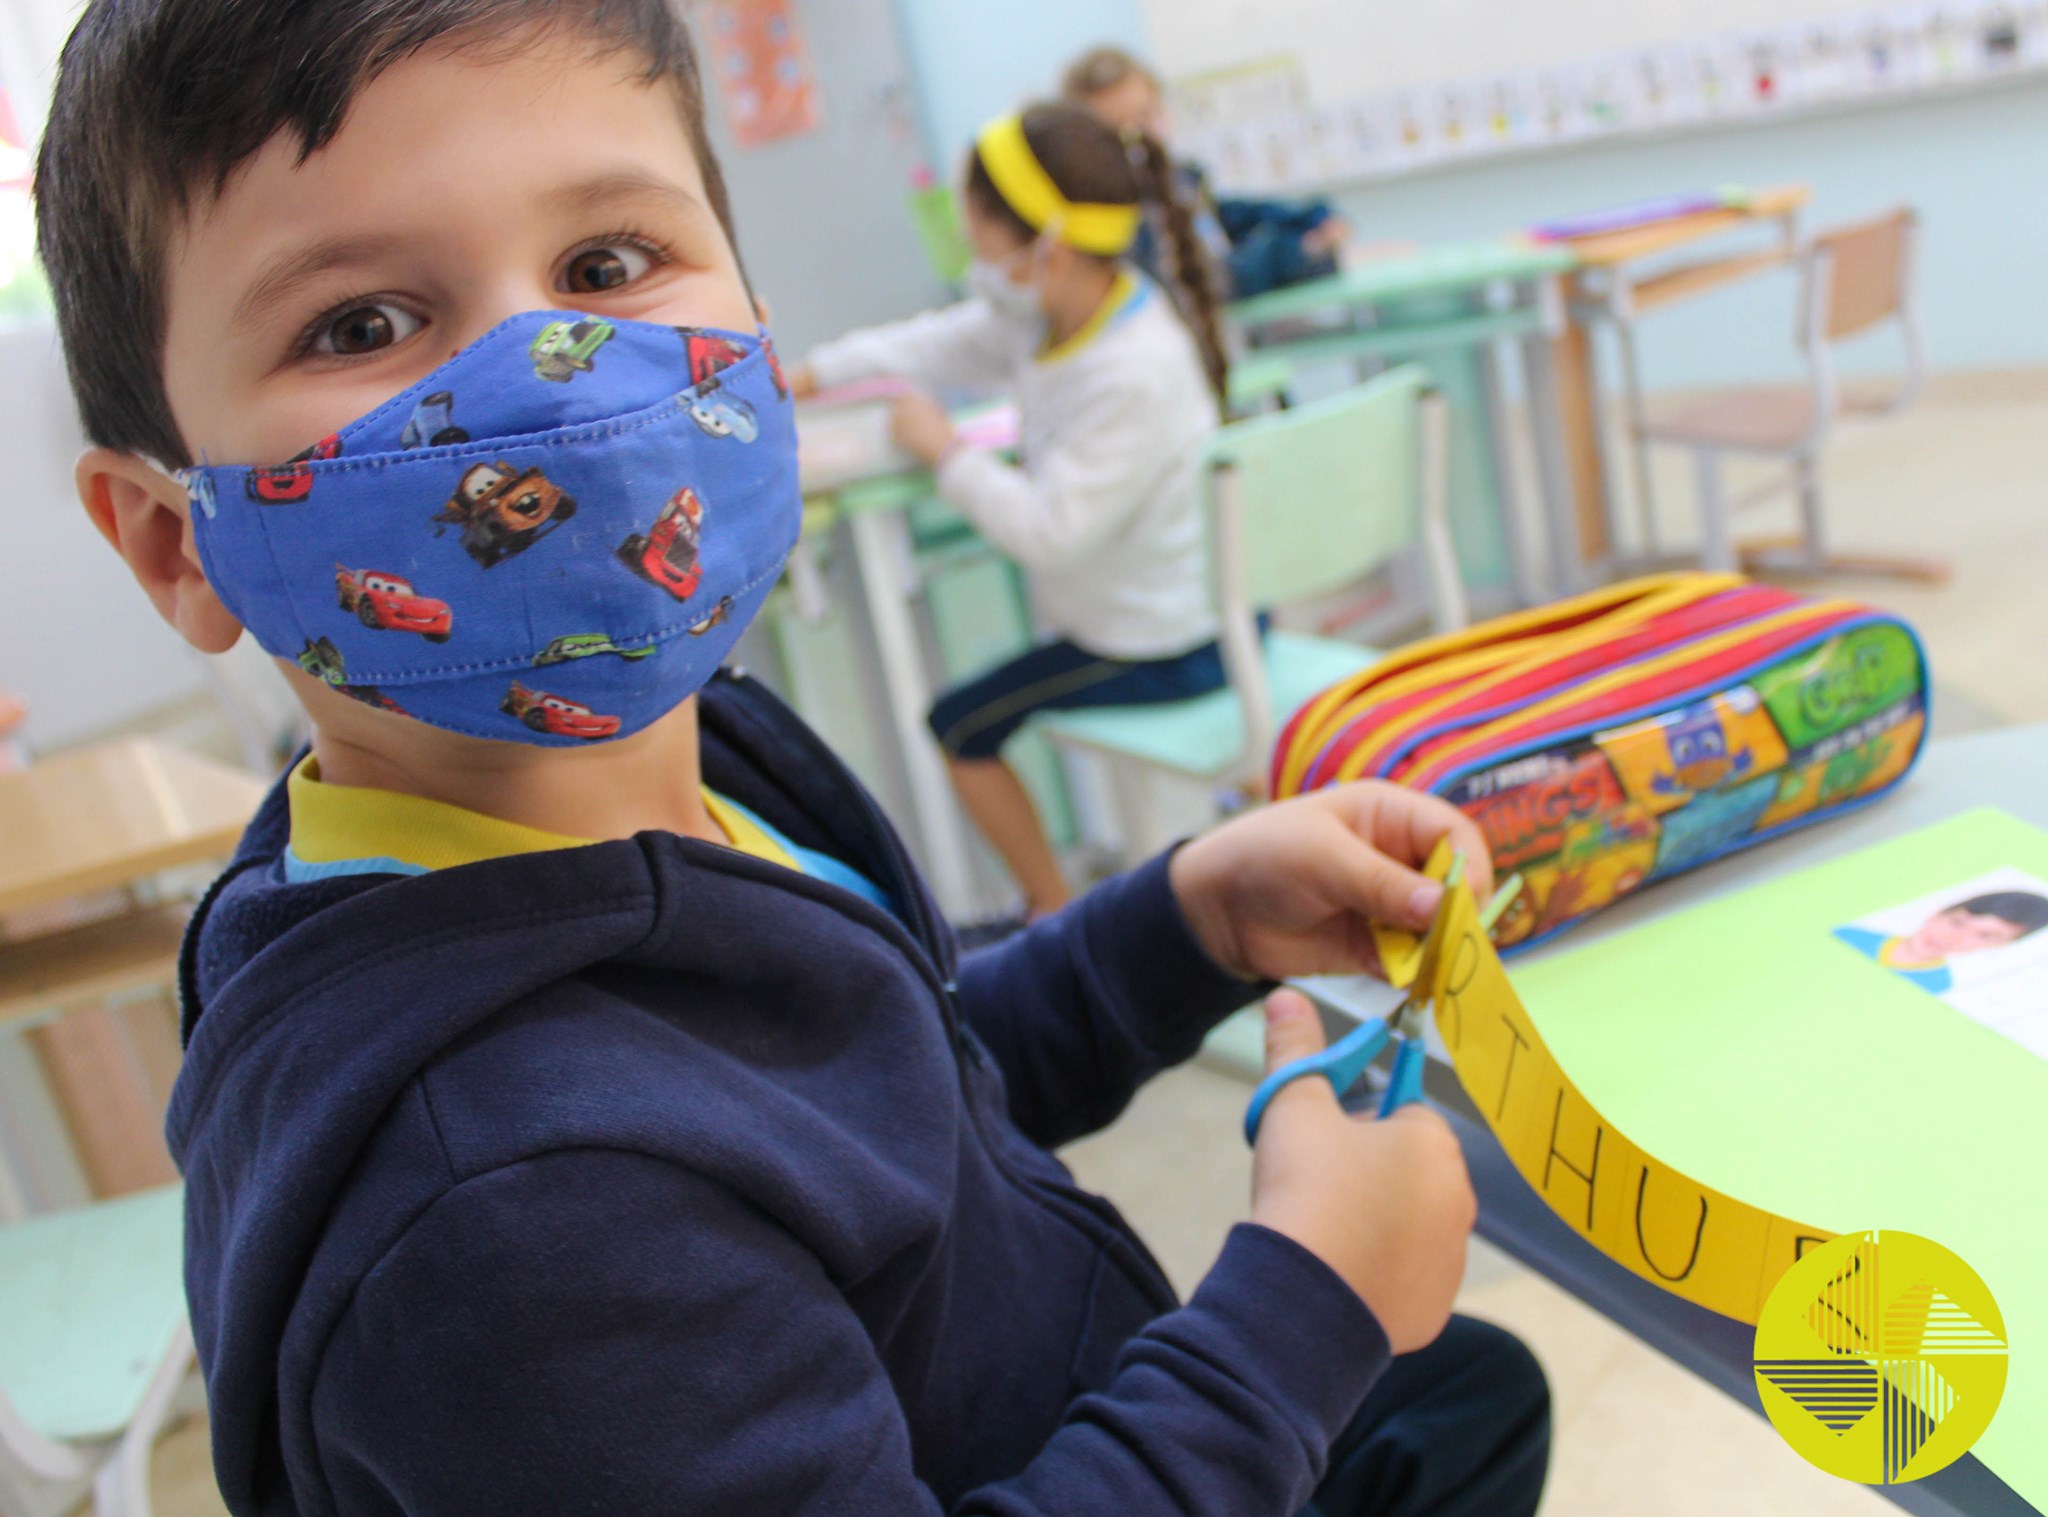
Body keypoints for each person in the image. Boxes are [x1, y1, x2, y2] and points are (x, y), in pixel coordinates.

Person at [35, 3, 1548, 1513]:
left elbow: (881, 1081)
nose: (550, 375)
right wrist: (1298, 1318)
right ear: (178, 540)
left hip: (1030, 1388)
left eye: (607, 267)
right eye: (362, 324)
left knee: (1465, 1402)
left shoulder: (711, 764)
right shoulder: (513, 1219)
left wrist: (1180, 925)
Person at [793, 103, 1235, 918]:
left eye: (980, 238)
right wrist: (812, 373)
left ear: (1048, 251)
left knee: (961, 726)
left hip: (1165, 642)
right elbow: (932, 343)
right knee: (994, 687)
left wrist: (943, 449)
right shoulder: (1060, 315)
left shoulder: (1131, 368)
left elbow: (1049, 532)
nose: (973, 257)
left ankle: (1050, 912)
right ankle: (1058, 898)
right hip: (1163, 613)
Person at [1063, 45, 1351, 300]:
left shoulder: (1183, 183)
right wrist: (1298, 251)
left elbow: (1236, 220)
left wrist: (1314, 221)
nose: (1144, 133)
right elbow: (1215, 283)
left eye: (1148, 113)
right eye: (1121, 130)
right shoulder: (1118, 223)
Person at [1834, 891, 2048, 993]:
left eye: (1985, 936)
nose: (1953, 938)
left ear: (2000, 946)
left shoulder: (1941, 986)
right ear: (1938, 913)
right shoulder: (1852, 936)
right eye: (1957, 923)